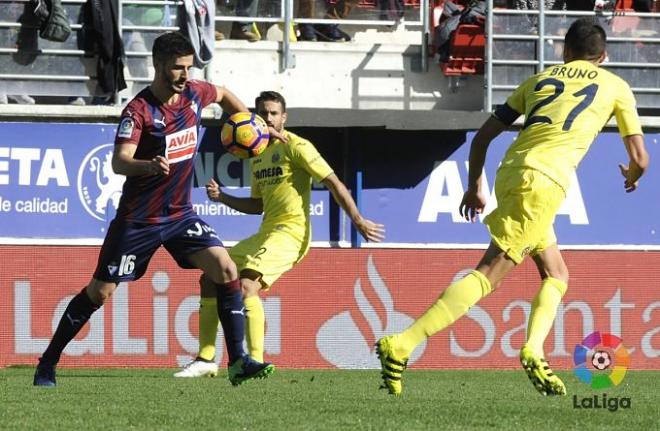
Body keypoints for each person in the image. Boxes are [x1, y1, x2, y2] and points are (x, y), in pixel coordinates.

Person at [376, 18, 649, 396]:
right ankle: (403, 343)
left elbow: (482, 138)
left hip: (513, 172)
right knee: (490, 270)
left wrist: (474, 187)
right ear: (602, 56)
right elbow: (641, 156)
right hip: (545, 183)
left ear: (565, 51)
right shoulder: (616, 86)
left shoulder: (538, 81)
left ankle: (534, 349)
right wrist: (633, 174)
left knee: (557, 272)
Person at [33, 32, 275, 387]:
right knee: (100, 292)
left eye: (189, 68)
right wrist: (148, 166)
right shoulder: (139, 110)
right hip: (139, 220)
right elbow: (120, 161)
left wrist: (253, 123)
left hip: (179, 215)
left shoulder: (194, 94)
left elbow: (221, 93)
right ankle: (48, 362)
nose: (184, 75)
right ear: (158, 64)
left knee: (225, 268)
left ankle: (238, 361)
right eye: (178, 68)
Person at [173, 90, 385, 377]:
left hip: (292, 233)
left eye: (274, 113)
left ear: (284, 117)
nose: (268, 118)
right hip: (267, 231)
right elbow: (257, 205)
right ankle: (206, 359)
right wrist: (223, 197)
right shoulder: (256, 152)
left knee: (246, 285)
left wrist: (357, 219)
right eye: (263, 113)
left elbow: (333, 181)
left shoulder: (297, 146)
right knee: (210, 277)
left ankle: (254, 362)